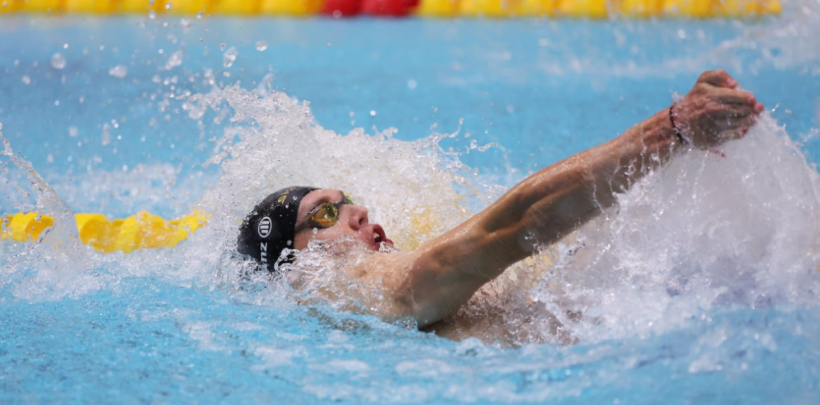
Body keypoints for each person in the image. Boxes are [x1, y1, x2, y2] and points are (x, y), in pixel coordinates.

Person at [237, 70, 765, 343]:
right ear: (292, 262)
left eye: (347, 200)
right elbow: (508, 229)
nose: (357, 211)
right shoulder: (342, 285)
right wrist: (666, 132)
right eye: (325, 215)